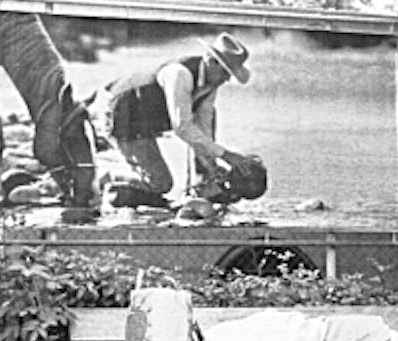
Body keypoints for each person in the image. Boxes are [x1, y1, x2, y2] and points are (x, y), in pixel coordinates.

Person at [88, 32, 265, 209]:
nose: (226, 79)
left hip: (146, 119)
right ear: (211, 61)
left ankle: (201, 186)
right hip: (122, 114)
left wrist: (212, 166)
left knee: (211, 118)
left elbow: (203, 128)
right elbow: (182, 127)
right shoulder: (179, 74)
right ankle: (107, 179)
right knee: (160, 183)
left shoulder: (211, 85)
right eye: (225, 72)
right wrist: (226, 155)